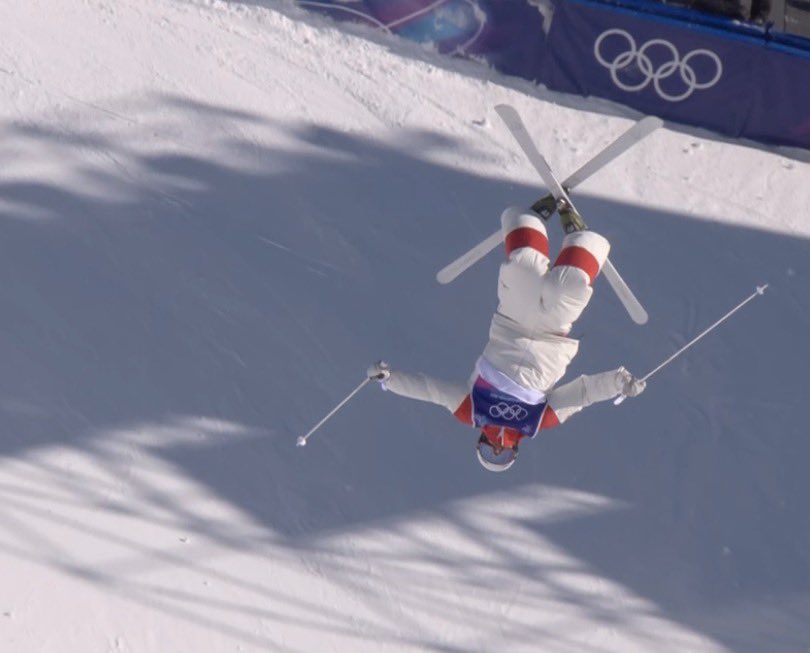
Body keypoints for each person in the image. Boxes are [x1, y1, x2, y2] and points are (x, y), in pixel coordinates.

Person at [368, 203, 646, 472]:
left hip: (512, 324)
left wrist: (389, 380)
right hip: (553, 334)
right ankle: (580, 237)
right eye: (501, 457)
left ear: (480, 443)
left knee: (522, 270)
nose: (497, 449)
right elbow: (584, 393)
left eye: (489, 452)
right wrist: (619, 384)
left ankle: (527, 219)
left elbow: (428, 390)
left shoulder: (472, 411)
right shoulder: (537, 422)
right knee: (568, 289)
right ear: (515, 452)